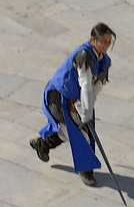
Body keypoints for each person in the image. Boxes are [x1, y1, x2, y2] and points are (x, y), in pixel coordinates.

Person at [29, 23, 116, 186]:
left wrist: (86, 108)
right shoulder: (83, 55)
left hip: (79, 100)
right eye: (103, 41)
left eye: (109, 41)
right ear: (93, 40)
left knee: (85, 133)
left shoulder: (105, 61)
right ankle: (85, 170)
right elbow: (86, 85)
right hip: (58, 97)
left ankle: (43, 143)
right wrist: (85, 110)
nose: (106, 45)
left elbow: (97, 86)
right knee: (79, 135)